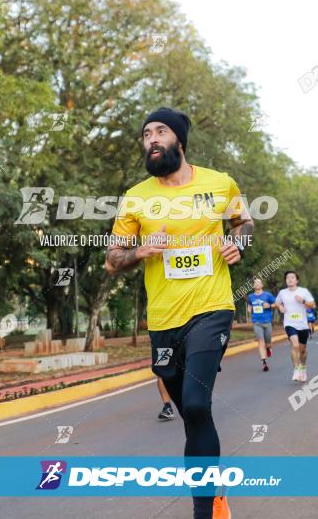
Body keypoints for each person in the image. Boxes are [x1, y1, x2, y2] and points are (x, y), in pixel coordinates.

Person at [105, 107, 253, 519]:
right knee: (192, 415)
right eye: (146, 134)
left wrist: (239, 243)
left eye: (161, 131)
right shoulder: (136, 197)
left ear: (179, 141)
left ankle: (203, 512)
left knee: (194, 404)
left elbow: (245, 222)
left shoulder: (219, 184)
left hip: (212, 308)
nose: (151, 139)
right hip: (164, 320)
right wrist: (141, 250)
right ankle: (213, 487)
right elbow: (112, 260)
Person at [274, 271, 316, 382]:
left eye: (292, 277)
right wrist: (280, 307)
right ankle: (296, 369)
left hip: (302, 324)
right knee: (295, 345)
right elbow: (277, 302)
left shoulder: (303, 291)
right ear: (286, 280)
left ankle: (303, 367)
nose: (290, 279)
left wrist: (302, 301)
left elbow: (312, 304)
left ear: (297, 280)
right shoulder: (282, 293)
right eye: (287, 277)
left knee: (302, 350)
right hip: (289, 323)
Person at [246, 278, 275, 372]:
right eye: (255, 283)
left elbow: (276, 304)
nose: (257, 284)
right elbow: (250, 305)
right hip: (256, 322)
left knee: (268, 343)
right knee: (260, 341)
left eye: (259, 282)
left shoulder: (267, 295)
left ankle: (268, 348)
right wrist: (249, 309)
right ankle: (264, 362)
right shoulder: (250, 296)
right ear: (253, 286)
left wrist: (270, 306)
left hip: (267, 322)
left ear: (262, 285)